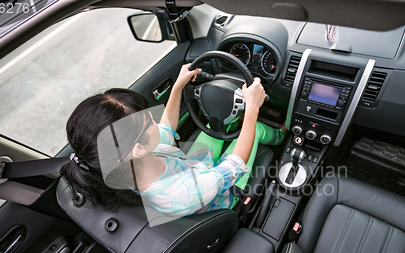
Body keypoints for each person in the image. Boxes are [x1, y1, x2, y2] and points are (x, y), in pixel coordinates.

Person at [62, 64, 285, 217]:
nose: (153, 117)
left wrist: (178, 85)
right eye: (146, 120)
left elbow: (166, 127)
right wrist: (252, 108)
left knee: (214, 123)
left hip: (194, 168)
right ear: (139, 149)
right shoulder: (180, 195)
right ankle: (282, 134)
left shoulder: (130, 161)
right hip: (220, 193)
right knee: (252, 129)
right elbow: (235, 164)